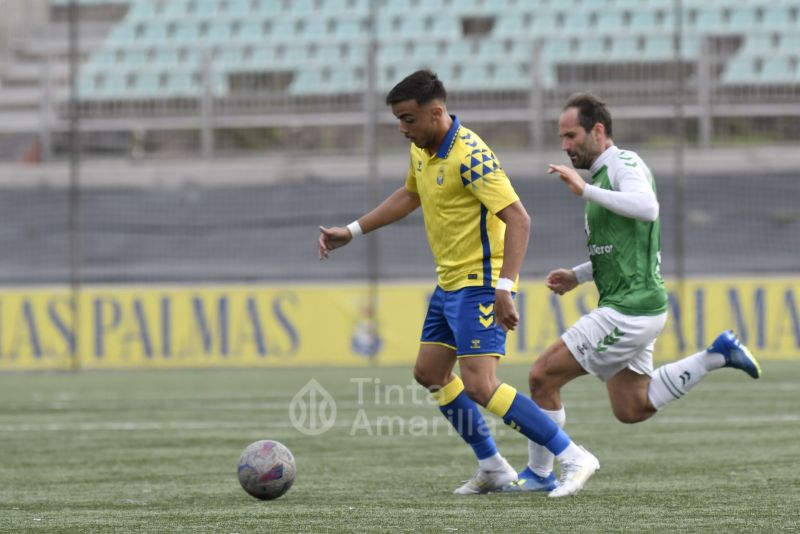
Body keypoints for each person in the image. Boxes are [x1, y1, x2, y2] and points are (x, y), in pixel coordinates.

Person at [318, 70, 599, 497]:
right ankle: (494, 466)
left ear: (436, 112)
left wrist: (505, 287)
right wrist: (352, 231)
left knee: (480, 385)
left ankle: (573, 456)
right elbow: (410, 194)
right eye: (398, 119)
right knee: (429, 372)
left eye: (408, 119)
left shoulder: (472, 156)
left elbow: (519, 218)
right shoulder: (423, 148)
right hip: (449, 283)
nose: (402, 129)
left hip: (481, 283)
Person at [504, 92, 762, 492]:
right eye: (562, 138)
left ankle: (540, 473)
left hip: (629, 310)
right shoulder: (604, 179)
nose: (565, 146)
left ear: (599, 131)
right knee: (632, 407)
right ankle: (716, 355)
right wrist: (578, 275)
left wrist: (584, 191)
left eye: (571, 136)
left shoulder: (623, 164)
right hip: (636, 306)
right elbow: (621, 252)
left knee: (542, 377)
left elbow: (647, 207)